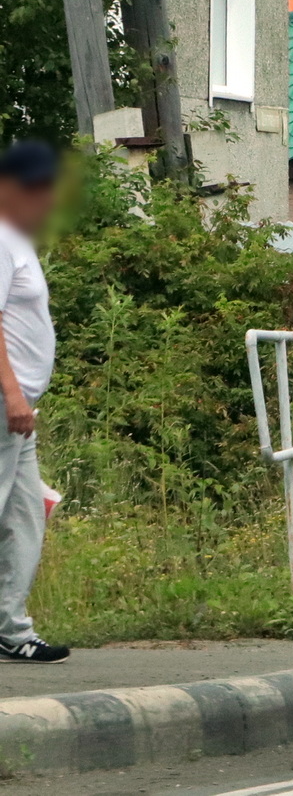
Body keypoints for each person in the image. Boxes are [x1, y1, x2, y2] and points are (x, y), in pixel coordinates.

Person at [0, 141, 66, 663]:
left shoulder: (17, 241)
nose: (44, 199)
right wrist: (13, 395)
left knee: (26, 516)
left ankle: (11, 631)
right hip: (6, 405)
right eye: (34, 188)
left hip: (18, 415)